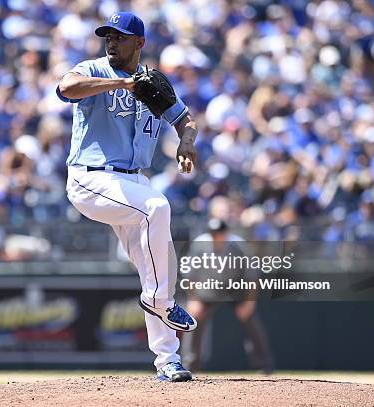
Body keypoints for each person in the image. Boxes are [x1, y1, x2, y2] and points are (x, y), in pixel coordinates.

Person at [57, 12, 198, 382]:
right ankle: (161, 302)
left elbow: (185, 119)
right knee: (157, 206)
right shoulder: (95, 70)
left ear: (139, 43)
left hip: (132, 182)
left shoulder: (152, 81)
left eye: (119, 37)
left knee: (157, 264)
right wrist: (120, 83)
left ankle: (167, 359)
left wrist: (185, 140)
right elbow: (67, 89)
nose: (111, 42)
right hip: (90, 178)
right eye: (107, 36)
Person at [182, 219, 274, 374]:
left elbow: (252, 276)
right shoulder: (200, 244)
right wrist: (194, 299)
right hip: (208, 289)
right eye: (214, 233)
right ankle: (190, 364)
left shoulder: (238, 244)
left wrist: (249, 302)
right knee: (193, 318)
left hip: (235, 289)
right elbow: (191, 276)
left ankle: (264, 365)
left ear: (226, 232)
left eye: (220, 233)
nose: (218, 236)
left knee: (249, 319)